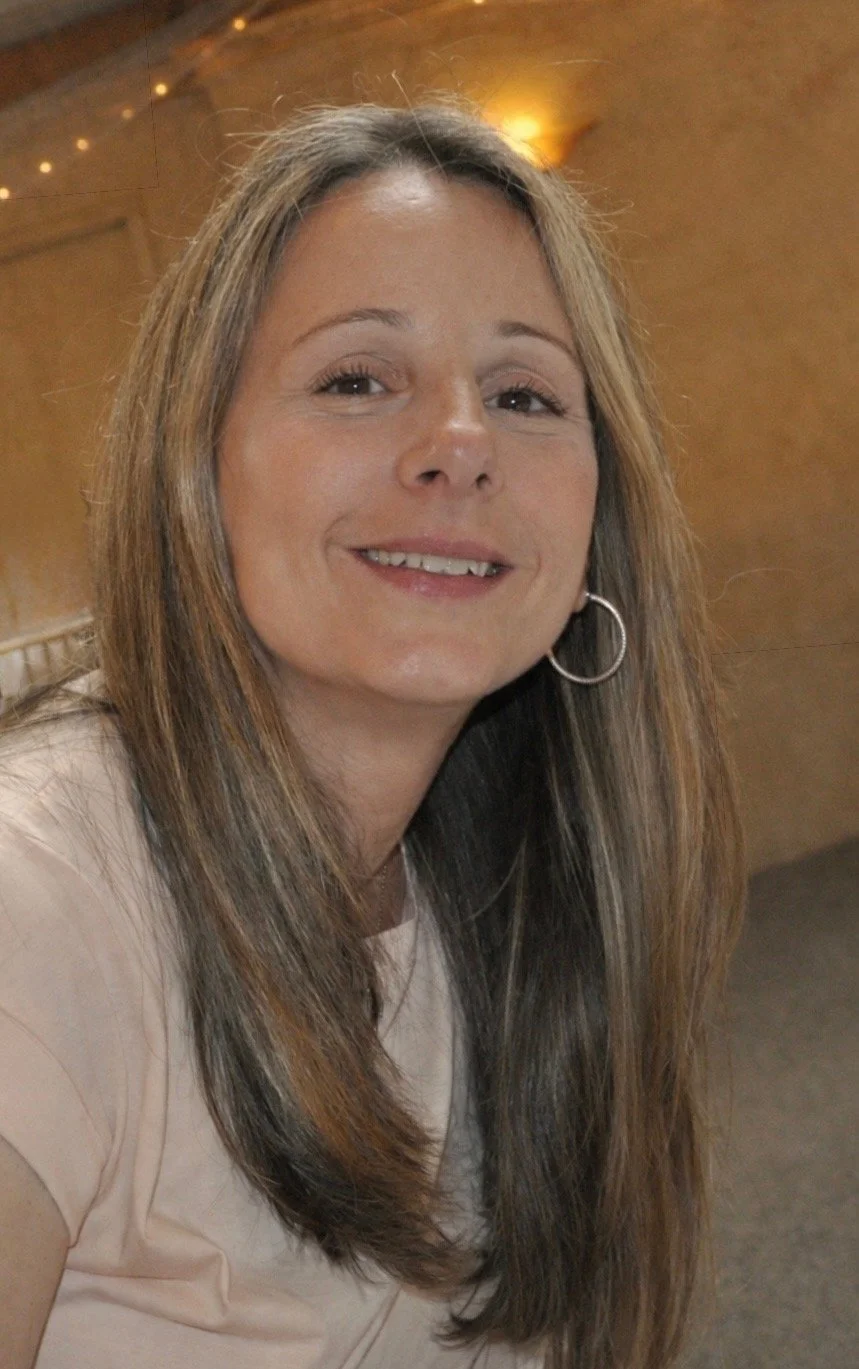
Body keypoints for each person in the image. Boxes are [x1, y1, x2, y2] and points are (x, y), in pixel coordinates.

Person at [0, 97, 746, 1369]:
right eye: (356, 379)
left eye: (524, 393)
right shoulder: (40, 895)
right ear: (197, 467)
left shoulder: (528, 873)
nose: (460, 444)